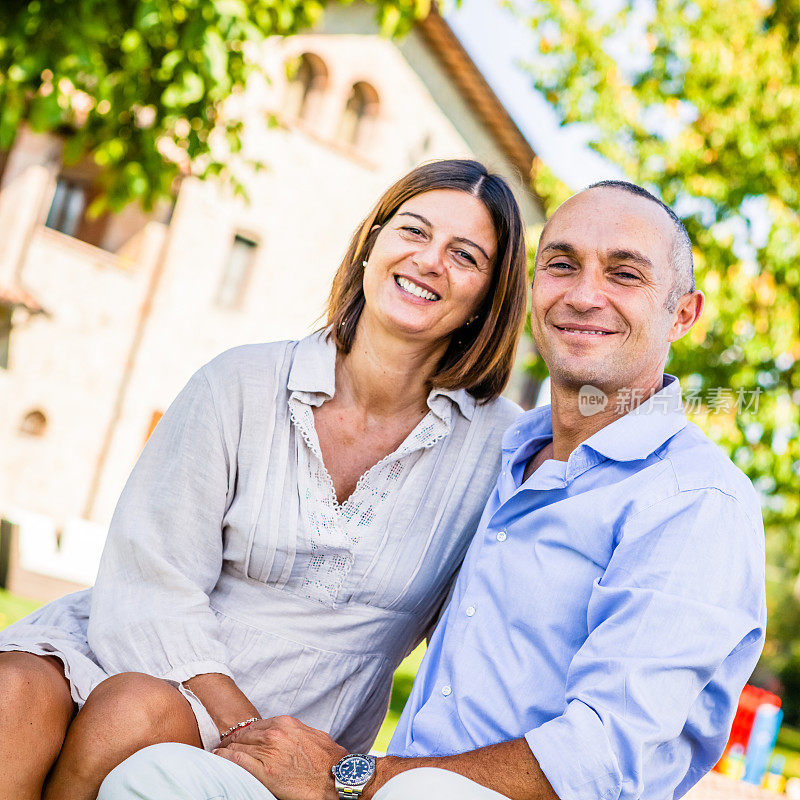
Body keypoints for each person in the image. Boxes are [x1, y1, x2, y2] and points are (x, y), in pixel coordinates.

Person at [99, 180, 766, 800]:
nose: (584, 294)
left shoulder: (694, 501)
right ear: (533, 290)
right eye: (561, 265)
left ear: (683, 314)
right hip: (390, 785)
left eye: (624, 273)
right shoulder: (501, 453)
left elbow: (607, 754)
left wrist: (352, 775)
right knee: (157, 777)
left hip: (419, 788)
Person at [0, 158, 530, 800]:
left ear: (488, 299)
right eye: (413, 231)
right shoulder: (241, 383)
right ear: (372, 245)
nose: (429, 260)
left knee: (138, 714)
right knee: (12, 693)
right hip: (138, 643)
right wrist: (239, 722)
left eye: (465, 255)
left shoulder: (502, 446)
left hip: (298, 719)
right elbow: (151, 577)